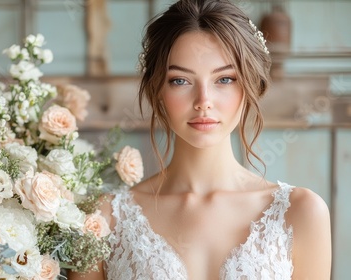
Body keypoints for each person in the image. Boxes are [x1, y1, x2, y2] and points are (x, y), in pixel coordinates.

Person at [69, 0, 332, 279]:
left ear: (251, 84)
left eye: (225, 79)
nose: (203, 102)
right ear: (157, 89)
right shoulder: (103, 218)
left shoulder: (300, 213)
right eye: (180, 80)